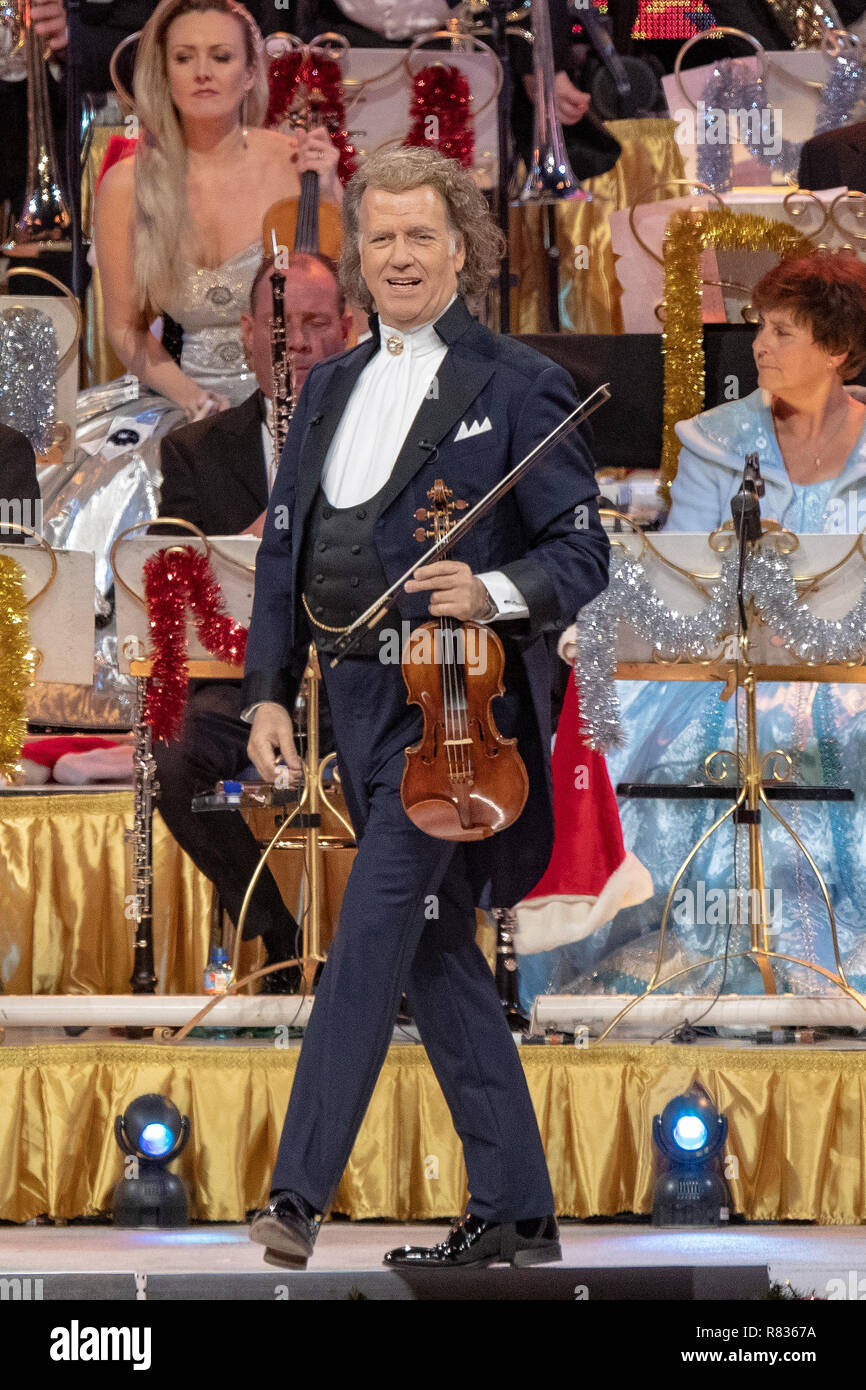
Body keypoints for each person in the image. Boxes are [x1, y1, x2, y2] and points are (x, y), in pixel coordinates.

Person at [242, 145, 609, 1270]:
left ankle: (297, 1192)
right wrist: (267, 690)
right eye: (380, 237)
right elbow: (282, 549)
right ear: (358, 255)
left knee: (369, 928)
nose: (397, 256)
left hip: (455, 702)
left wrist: (491, 589)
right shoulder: (327, 384)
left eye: (419, 236)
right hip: (352, 699)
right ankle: (515, 1205)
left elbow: (581, 551)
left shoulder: (517, 383)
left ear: (461, 250)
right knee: (433, 946)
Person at [555, 252, 866, 1003]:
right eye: (762, 326)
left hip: (854, 673)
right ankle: (704, 964)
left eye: (783, 331)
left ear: (836, 350)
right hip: (730, 677)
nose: (759, 344)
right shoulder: (718, 440)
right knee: (660, 751)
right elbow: (685, 576)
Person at [152, 251, 351, 990]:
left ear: (348, 329)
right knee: (172, 755)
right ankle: (277, 933)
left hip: (357, 678)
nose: (294, 342)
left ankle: (394, 965)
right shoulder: (194, 451)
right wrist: (259, 536)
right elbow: (173, 581)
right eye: (278, 324)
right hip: (244, 683)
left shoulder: (380, 441)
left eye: (314, 323)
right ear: (245, 334)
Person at [92, 0, 341, 421]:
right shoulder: (124, 185)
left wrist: (332, 193)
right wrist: (194, 400)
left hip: (295, 406)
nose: (202, 72)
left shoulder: (297, 167)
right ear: (164, 73)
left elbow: (347, 306)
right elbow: (125, 329)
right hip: (183, 409)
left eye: (221, 57)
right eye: (183, 58)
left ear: (249, 74)